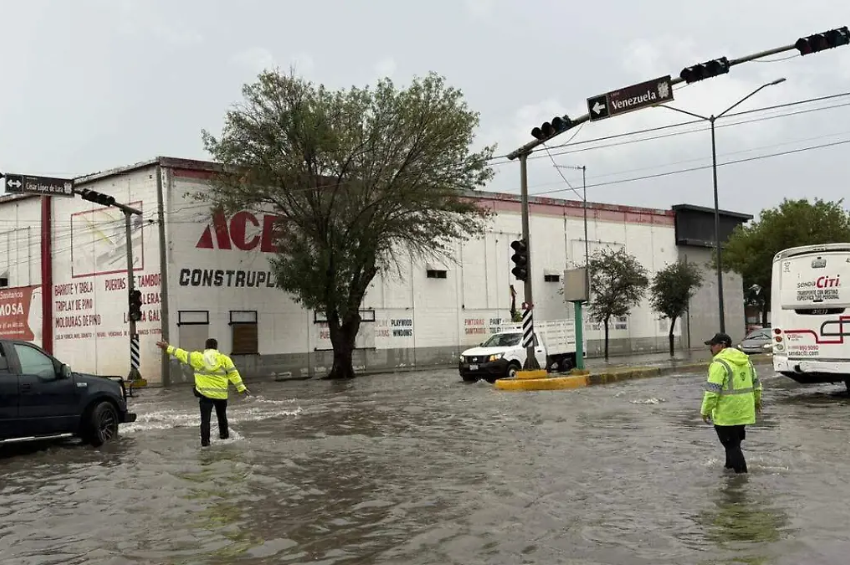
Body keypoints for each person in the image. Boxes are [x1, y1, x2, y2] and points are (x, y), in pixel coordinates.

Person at [156, 338, 249, 447]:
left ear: (206, 347)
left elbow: (181, 353)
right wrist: (241, 388)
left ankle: (205, 444)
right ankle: (224, 438)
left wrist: (167, 347)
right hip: (221, 395)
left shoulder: (198, 357)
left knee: (205, 420)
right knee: (222, 417)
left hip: (205, 395)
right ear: (216, 347)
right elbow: (234, 373)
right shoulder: (225, 359)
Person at [700, 332, 762, 474]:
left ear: (722, 345)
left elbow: (712, 392)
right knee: (733, 444)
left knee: (731, 446)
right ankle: (728, 470)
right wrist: (757, 402)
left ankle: (741, 481)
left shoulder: (719, 364)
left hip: (726, 414)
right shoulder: (746, 361)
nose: (711, 348)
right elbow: (757, 385)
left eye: (713, 345)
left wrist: (705, 411)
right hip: (744, 413)